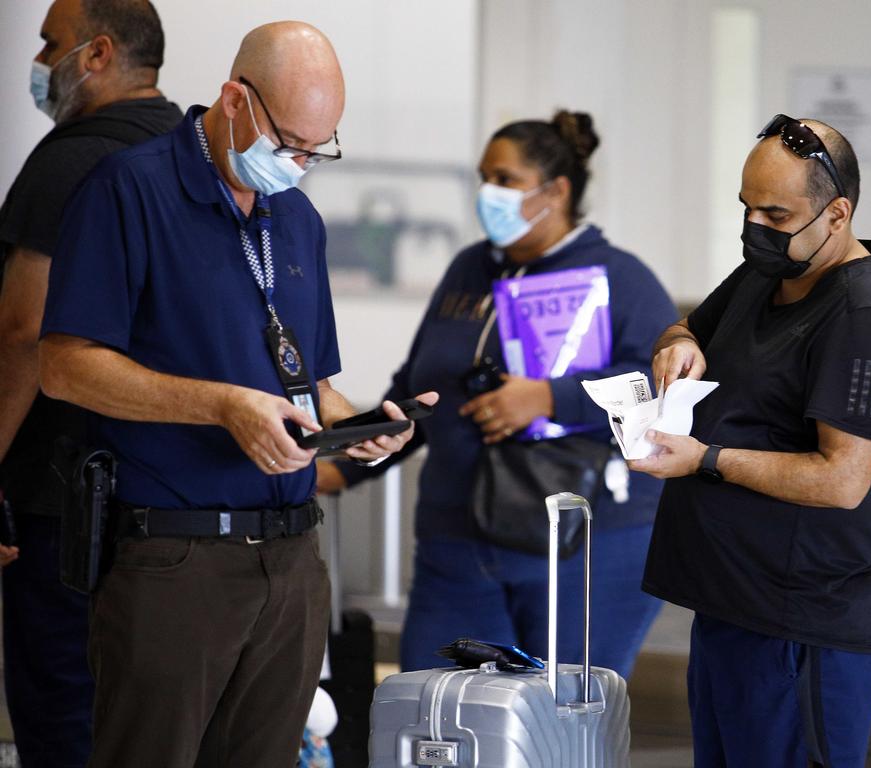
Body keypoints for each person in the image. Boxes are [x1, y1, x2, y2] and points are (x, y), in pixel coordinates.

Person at [36, 21, 434, 767]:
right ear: (232, 99)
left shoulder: (298, 220)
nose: (300, 163)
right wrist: (220, 405)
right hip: (173, 561)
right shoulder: (130, 191)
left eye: (319, 149)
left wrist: (362, 428)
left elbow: (311, 387)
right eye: (289, 143)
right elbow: (66, 366)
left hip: (289, 561)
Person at [317, 110, 677, 678]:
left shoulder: (619, 278)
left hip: (581, 548)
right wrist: (338, 463)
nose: (489, 193)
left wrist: (551, 398)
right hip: (456, 544)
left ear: (555, 191)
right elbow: (417, 391)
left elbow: (657, 387)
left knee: (557, 727)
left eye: (505, 180)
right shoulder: (470, 269)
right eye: (484, 177)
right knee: (436, 709)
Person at [631, 115, 871, 768]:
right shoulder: (770, 273)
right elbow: (685, 326)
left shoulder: (864, 318)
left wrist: (705, 459)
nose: (755, 229)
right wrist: (678, 349)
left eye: (776, 214)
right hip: (733, 607)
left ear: (836, 215)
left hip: (801, 628)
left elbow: (844, 478)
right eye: (747, 209)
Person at [0, 1, 181, 764]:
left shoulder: (72, 158)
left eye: (50, 44)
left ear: (98, 54)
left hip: (64, 500)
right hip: (168, 508)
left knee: (62, 714)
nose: (40, 61)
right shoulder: (187, 153)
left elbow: (21, 334)